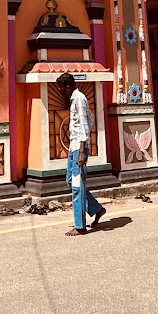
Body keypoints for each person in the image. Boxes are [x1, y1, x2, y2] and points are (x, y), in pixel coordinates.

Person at [57, 72, 105, 236]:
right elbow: (90, 119)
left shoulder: (78, 98)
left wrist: (83, 150)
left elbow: (85, 124)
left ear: (68, 86)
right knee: (71, 180)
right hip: (74, 146)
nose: (61, 92)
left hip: (79, 148)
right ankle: (95, 208)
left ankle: (80, 226)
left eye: (61, 89)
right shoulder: (75, 99)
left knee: (77, 186)